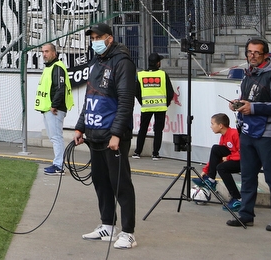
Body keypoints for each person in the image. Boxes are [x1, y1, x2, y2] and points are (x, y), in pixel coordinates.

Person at [74, 22, 137, 250]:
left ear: (109, 38)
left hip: (113, 136)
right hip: (94, 133)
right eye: (92, 38)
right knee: (100, 181)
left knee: (120, 183)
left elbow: (126, 101)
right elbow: (90, 98)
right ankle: (107, 225)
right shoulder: (96, 62)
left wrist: (117, 134)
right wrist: (81, 126)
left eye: (98, 37)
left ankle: (128, 232)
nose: (94, 42)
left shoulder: (123, 63)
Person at [227, 36, 271, 231]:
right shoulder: (248, 74)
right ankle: (246, 214)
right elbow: (249, 99)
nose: (252, 55)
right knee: (247, 176)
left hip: (267, 134)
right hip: (247, 132)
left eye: (257, 52)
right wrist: (237, 104)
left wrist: (253, 109)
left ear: (265, 54)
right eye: (249, 52)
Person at [191, 113, 242, 211]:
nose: (211, 127)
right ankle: (211, 180)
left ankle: (237, 198)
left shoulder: (234, 133)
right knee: (215, 149)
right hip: (234, 159)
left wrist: (229, 157)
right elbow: (215, 157)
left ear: (220, 125)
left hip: (243, 161)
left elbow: (243, 153)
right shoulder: (223, 137)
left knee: (221, 167)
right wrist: (205, 170)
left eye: (212, 124)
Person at [35, 42, 72, 174]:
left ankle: (59, 166)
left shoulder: (57, 67)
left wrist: (54, 105)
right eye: (42, 52)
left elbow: (60, 88)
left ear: (54, 53)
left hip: (55, 109)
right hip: (49, 109)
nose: (44, 54)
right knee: (54, 137)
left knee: (56, 137)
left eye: (46, 51)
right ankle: (58, 164)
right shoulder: (50, 67)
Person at [132, 52, 174, 160]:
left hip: (146, 106)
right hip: (160, 107)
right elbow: (170, 92)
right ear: (158, 63)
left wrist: (143, 102)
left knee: (143, 129)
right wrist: (166, 102)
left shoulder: (140, 75)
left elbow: (136, 92)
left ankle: (137, 152)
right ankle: (155, 153)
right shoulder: (163, 75)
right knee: (158, 130)